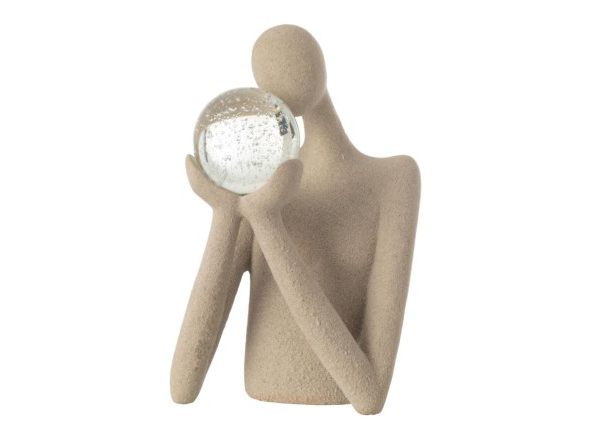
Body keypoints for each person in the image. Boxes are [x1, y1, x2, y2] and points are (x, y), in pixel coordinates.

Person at [170, 25, 420, 415]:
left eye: (296, 57)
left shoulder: (392, 180)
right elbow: (183, 386)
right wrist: (225, 215)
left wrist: (268, 222)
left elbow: (369, 396)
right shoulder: (256, 183)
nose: (286, 74)